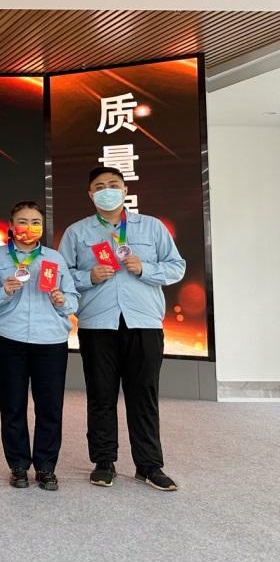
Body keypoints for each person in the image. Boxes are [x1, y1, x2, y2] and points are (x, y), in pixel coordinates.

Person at [58, 167, 186, 491]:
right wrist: (88, 277)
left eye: (113, 185)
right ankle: (104, 462)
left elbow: (177, 267)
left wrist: (145, 268)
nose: (107, 191)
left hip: (143, 322)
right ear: (91, 194)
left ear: (125, 189)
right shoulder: (77, 232)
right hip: (97, 323)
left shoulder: (152, 227)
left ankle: (149, 465)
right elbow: (60, 274)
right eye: (100, 186)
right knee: (100, 394)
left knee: (144, 395)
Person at [0, 201, 78, 491]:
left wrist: (62, 300)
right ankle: (18, 465)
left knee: (49, 406)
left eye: (35, 222)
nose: (29, 227)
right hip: (8, 336)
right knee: (12, 404)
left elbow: (73, 299)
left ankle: (46, 466)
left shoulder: (54, 258)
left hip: (50, 339)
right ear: (11, 226)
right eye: (23, 221)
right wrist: (3, 290)